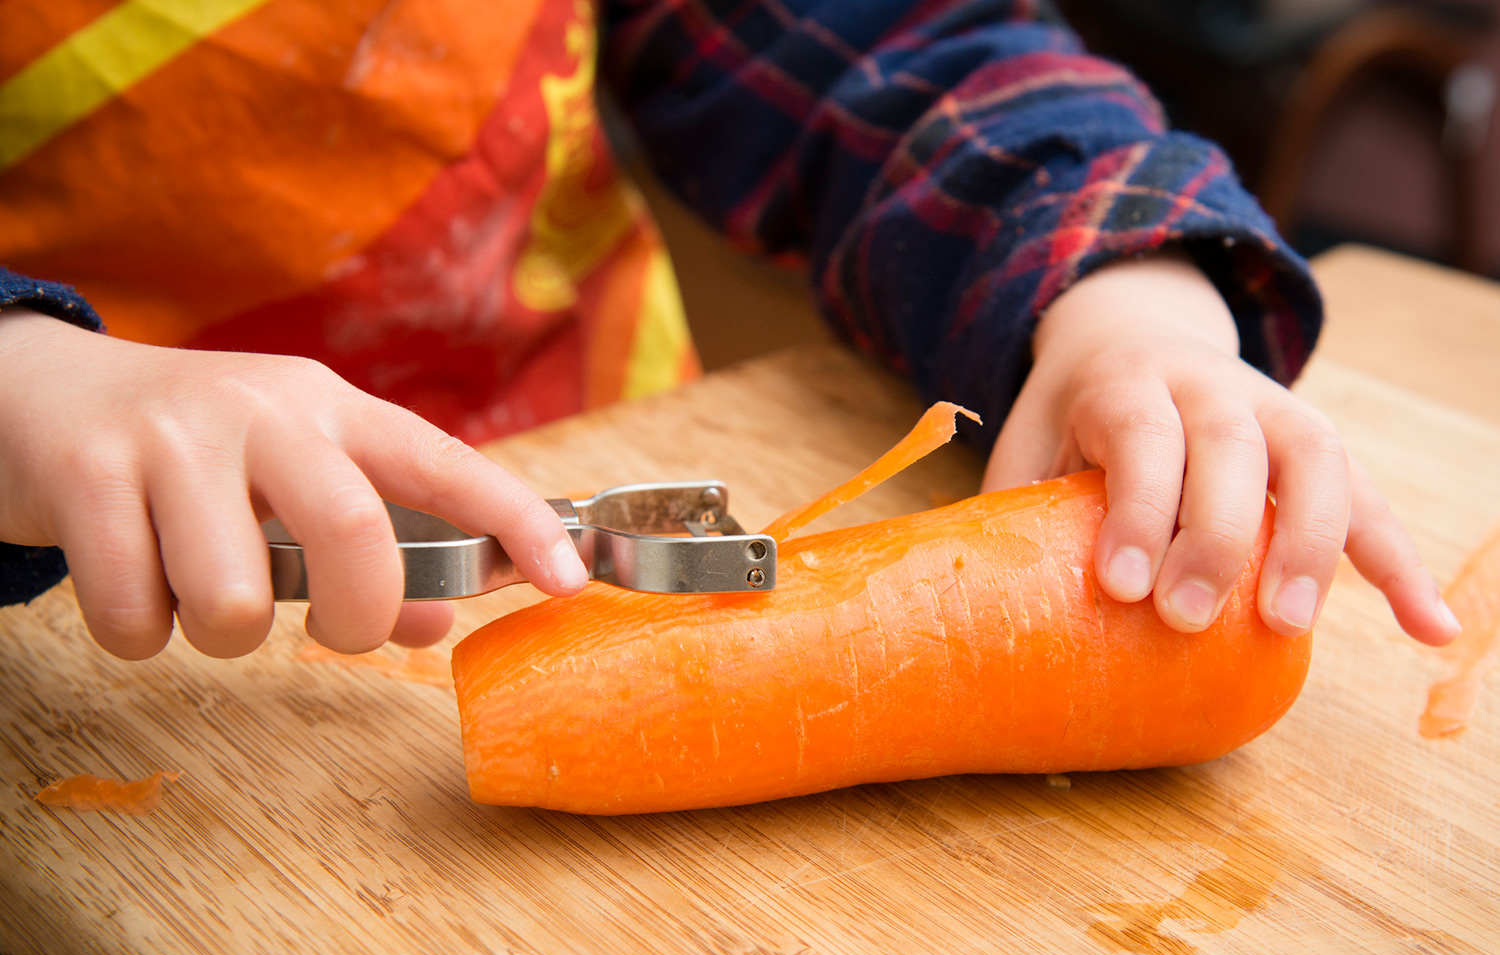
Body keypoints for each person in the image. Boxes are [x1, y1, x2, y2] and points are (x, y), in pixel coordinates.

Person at [0, 0, 1459, 660]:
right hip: (87, 613)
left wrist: (1123, 290)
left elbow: (890, 45)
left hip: (619, 502)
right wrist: (28, 379)